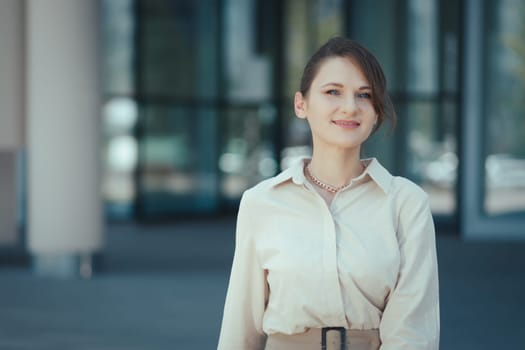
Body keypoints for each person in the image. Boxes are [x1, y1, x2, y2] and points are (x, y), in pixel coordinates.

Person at [217, 36, 440, 350]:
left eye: (364, 95)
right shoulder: (261, 202)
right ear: (301, 104)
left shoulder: (406, 203)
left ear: (376, 111)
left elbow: (414, 333)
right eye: (333, 91)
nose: (350, 107)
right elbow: (241, 329)